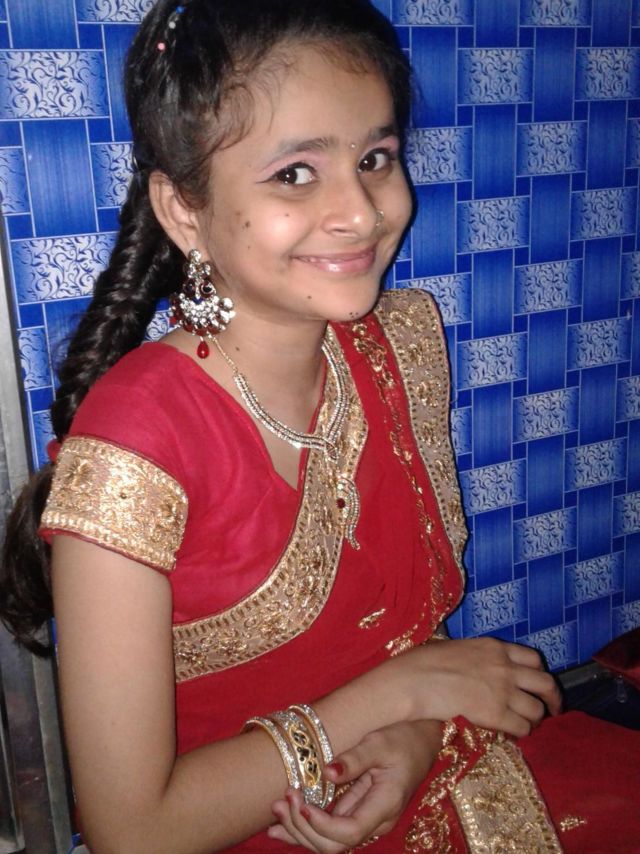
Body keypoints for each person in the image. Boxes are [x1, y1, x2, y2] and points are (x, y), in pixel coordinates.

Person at [1, 1, 639, 852]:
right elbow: (133, 830)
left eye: (375, 159)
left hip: (434, 776)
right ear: (184, 211)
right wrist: (395, 698)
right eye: (296, 173)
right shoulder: (135, 443)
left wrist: (414, 737)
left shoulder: (392, 348)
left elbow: (409, 639)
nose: (362, 212)